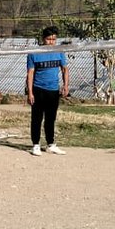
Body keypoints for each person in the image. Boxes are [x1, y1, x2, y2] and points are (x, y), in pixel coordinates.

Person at [27, 26, 69, 156]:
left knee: (51, 119)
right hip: (38, 89)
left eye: (54, 39)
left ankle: (50, 144)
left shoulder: (59, 51)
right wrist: (30, 92)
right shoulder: (34, 53)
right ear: (43, 39)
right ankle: (36, 145)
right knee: (37, 118)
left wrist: (66, 85)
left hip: (53, 90)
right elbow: (30, 73)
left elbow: (65, 69)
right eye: (49, 39)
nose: (51, 42)